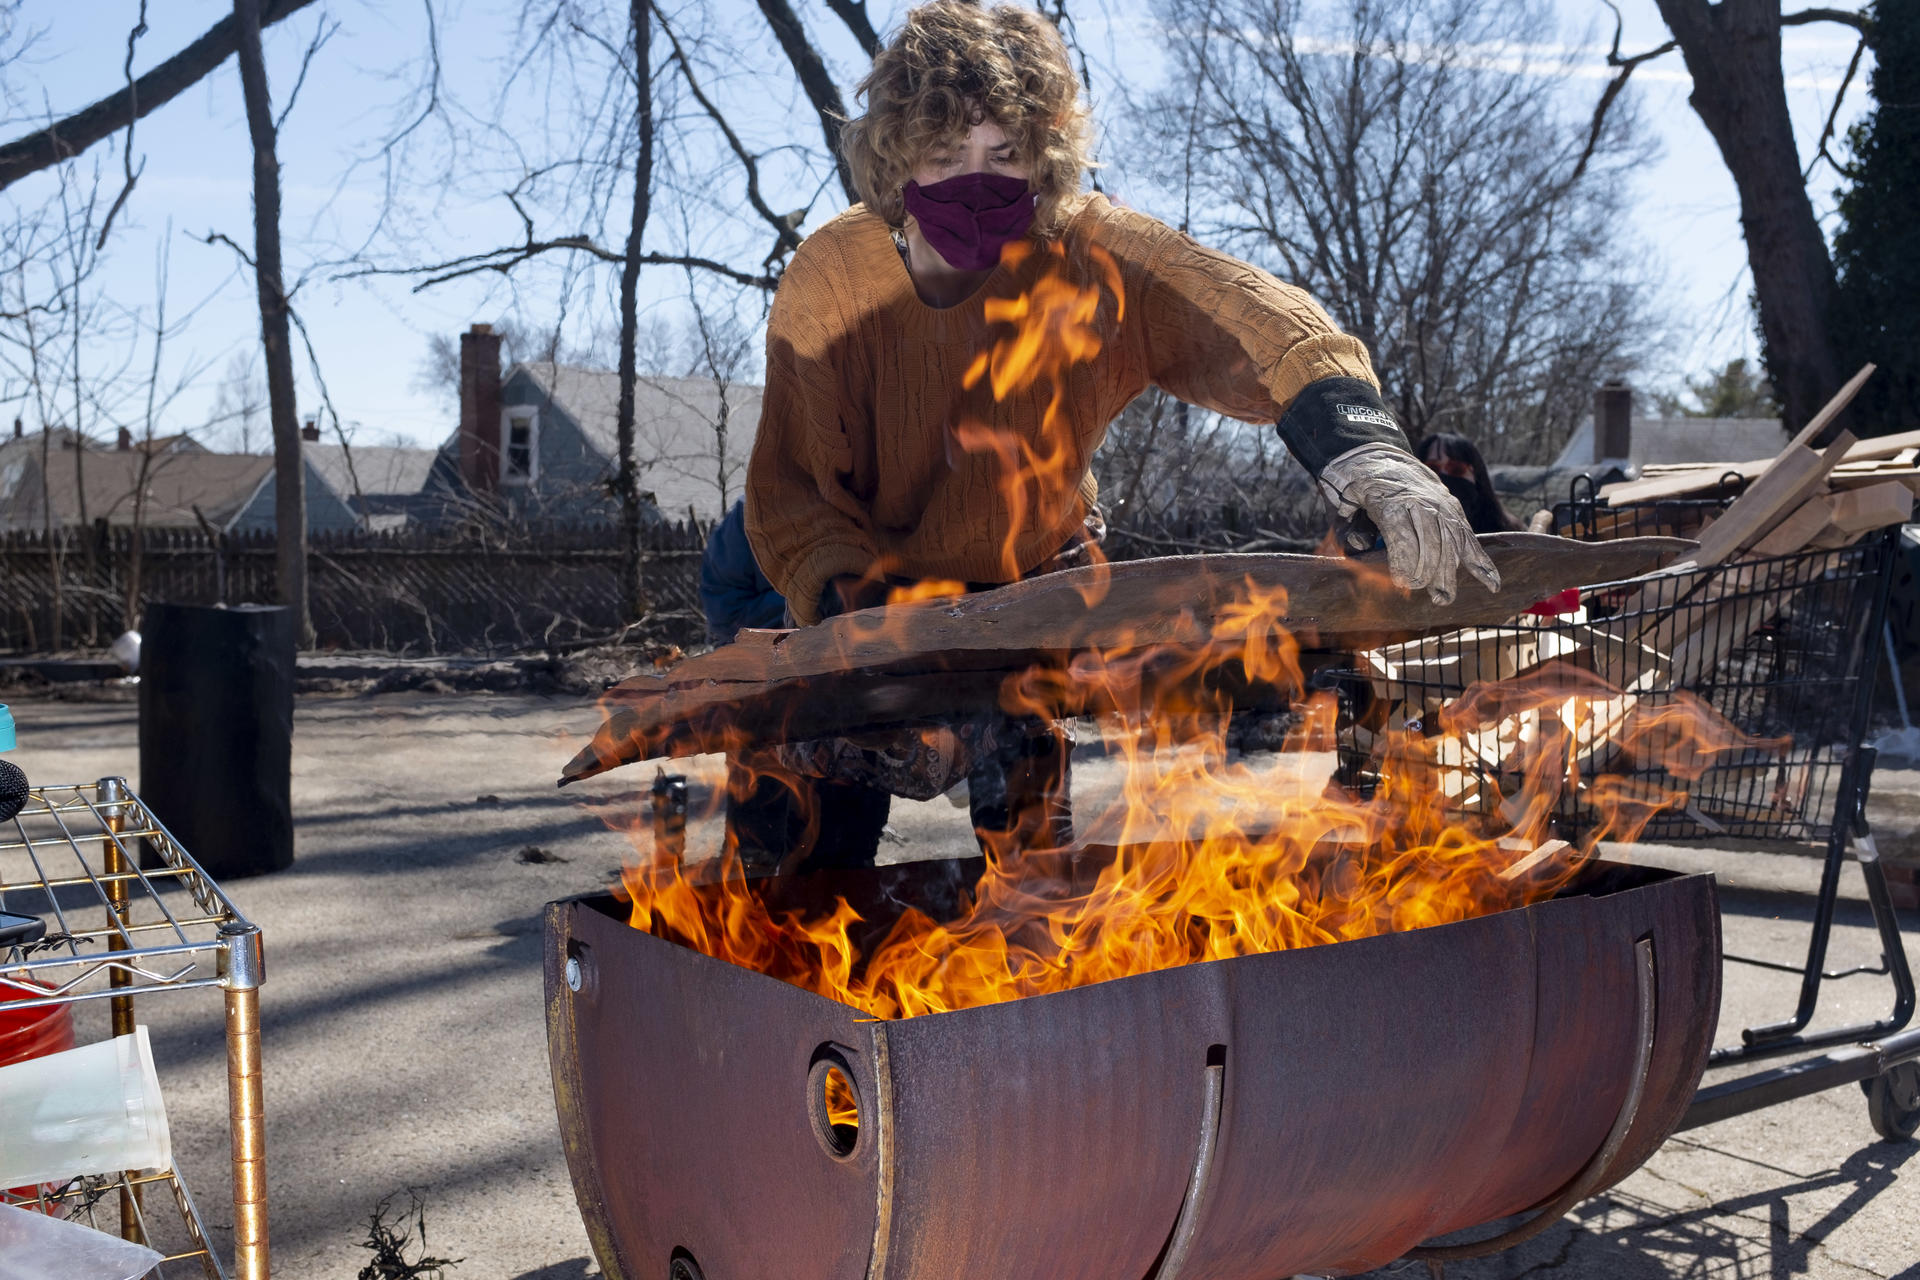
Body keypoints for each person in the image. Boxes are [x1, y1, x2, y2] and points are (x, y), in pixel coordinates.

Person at [744, 0, 1498, 868]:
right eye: (946, 159)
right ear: (897, 162)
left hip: (1030, 586)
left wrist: (1361, 443)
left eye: (1006, 159)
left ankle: (1032, 923)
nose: (977, 188)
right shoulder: (834, 275)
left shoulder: (1090, 251)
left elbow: (1247, 312)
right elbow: (795, 492)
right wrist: (879, 637)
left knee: (1032, 869)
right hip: (868, 593)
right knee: (799, 848)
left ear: (1044, 162)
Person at [1414, 432, 1522, 534]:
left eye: (1456, 470)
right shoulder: (1406, 531)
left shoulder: (1507, 532)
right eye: (1432, 469)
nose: (1442, 479)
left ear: (1476, 476)